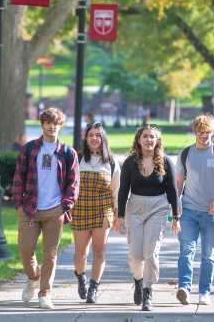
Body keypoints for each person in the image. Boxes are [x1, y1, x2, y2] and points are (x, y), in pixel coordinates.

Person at [12, 107, 80, 309]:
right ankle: (33, 276)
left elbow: (73, 184)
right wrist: (18, 204)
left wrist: (64, 207)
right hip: (29, 208)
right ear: (42, 124)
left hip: (55, 210)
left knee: (50, 253)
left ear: (60, 126)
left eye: (56, 123)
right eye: (48, 123)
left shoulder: (68, 152)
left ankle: (45, 293)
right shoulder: (29, 149)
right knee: (25, 249)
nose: (52, 127)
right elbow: (19, 177)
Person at [114, 124, 180, 311]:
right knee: (136, 255)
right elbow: (123, 189)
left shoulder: (166, 161)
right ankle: (138, 280)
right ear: (139, 139)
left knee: (151, 253)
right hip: (134, 208)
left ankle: (148, 291)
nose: (149, 140)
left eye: (152, 136)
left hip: (158, 208)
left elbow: (173, 190)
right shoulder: (129, 163)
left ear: (157, 140)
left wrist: (175, 215)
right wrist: (120, 216)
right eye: (145, 136)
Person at [175, 114, 214, 306]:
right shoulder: (185, 154)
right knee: (186, 250)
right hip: (189, 210)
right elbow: (178, 184)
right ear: (195, 132)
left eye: (207, 132)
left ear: (212, 132)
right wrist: (176, 207)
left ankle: (204, 292)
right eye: (200, 132)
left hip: (211, 212)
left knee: (208, 254)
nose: (203, 135)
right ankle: (184, 288)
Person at [71, 123, 120, 304]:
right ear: (86, 138)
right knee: (80, 254)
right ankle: (81, 277)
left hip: (103, 210)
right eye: (90, 134)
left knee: (99, 250)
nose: (94, 138)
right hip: (80, 208)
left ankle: (93, 287)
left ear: (103, 138)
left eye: (97, 135)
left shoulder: (112, 162)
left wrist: (118, 216)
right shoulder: (77, 158)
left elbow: (116, 192)